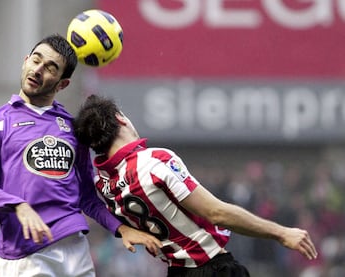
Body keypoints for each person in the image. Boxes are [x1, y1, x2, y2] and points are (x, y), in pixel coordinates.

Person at [0, 34, 161, 277]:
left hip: (75, 247)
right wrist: (19, 206)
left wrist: (121, 228)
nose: (38, 70)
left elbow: (87, 198)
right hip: (26, 252)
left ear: (62, 84)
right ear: (25, 61)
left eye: (50, 68)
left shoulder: (72, 128)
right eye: (36, 60)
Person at [73, 94, 319, 277]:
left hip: (177, 270)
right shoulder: (153, 161)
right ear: (120, 119)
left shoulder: (104, 183)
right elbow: (216, 212)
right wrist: (282, 233)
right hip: (212, 268)